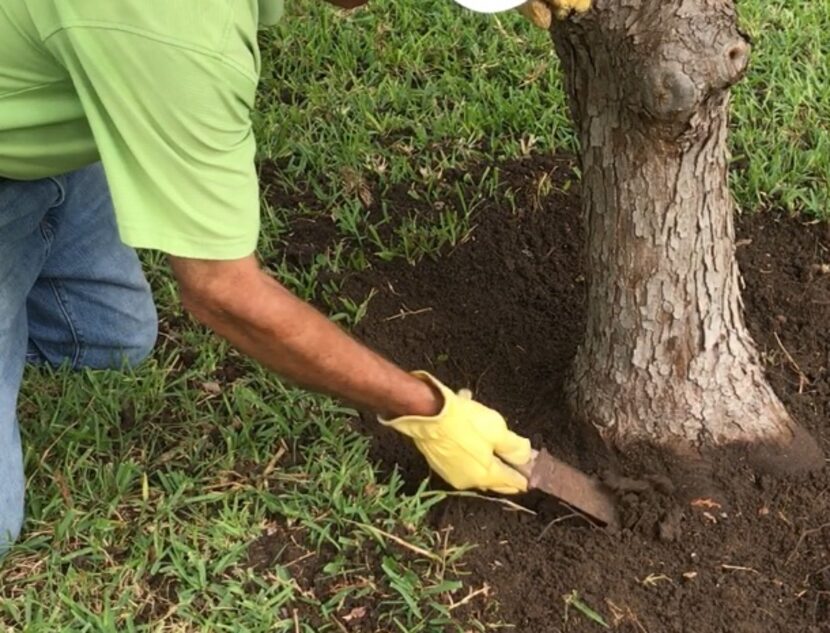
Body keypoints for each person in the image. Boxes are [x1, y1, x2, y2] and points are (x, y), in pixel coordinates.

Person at [0, 0, 589, 550]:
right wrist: (429, 410)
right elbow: (223, 293)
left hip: (58, 87)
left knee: (106, 344)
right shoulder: (185, 39)